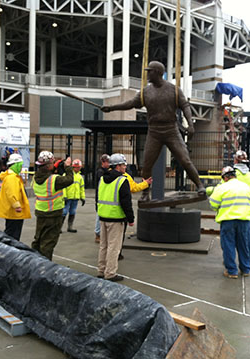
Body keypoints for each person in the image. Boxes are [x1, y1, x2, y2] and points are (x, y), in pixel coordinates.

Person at [101, 61, 205, 201]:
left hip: (171, 130)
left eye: (149, 71)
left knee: (185, 160)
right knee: (147, 164)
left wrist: (191, 124)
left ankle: (199, 186)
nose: (147, 73)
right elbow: (131, 103)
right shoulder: (145, 92)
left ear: (157, 72)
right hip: (154, 131)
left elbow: (185, 105)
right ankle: (145, 193)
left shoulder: (173, 90)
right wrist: (111, 108)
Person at [209, 166, 250, 279]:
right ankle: (245, 269)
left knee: (228, 245)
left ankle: (232, 271)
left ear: (224, 178)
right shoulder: (245, 187)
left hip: (228, 221)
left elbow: (213, 204)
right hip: (244, 221)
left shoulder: (222, 188)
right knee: (244, 245)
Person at [96, 153, 134, 281]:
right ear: (118, 166)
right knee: (114, 247)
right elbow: (126, 202)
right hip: (116, 218)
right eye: (124, 164)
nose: (125, 167)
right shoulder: (122, 180)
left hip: (103, 216)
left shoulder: (102, 179)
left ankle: (101, 270)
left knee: (103, 245)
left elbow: (98, 197)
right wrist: (131, 219)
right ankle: (110, 273)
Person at [32, 151, 73, 260]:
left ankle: (34, 262)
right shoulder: (54, 180)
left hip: (40, 212)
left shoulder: (36, 177)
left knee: (38, 239)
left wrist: (56, 169)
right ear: (49, 165)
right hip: (53, 214)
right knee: (48, 243)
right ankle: (44, 267)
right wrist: (68, 167)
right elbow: (69, 179)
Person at [0, 153, 31, 241]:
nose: (21, 168)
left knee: (11, 232)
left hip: (12, 211)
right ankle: (10, 250)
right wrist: (16, 205)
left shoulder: (12, 177)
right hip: (14, 212)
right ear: (16, 165)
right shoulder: (12, 178)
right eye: (20, 165)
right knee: (13, 234)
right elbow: (12, 193)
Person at [62, 159, 85, 233]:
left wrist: (82, 197)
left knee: (72, 212)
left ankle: (70, 226)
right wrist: (64, 196)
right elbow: (63, 186)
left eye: (79, 167)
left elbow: (82, 188)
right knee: (64, 212)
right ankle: (59, 227)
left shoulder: (80, 177)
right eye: (77, 167)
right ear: (73, 167)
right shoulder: (66, 175)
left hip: (75, 198)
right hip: (68, 197)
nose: (78, 169)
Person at [94, 154, 111, 242]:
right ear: (103, 162)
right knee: (99, 215)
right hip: (100, 196)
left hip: (105, 196)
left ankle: (102, 233)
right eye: (108, 162)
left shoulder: (107, 170)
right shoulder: (100, 172)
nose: (109, 164)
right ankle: (97, 233)